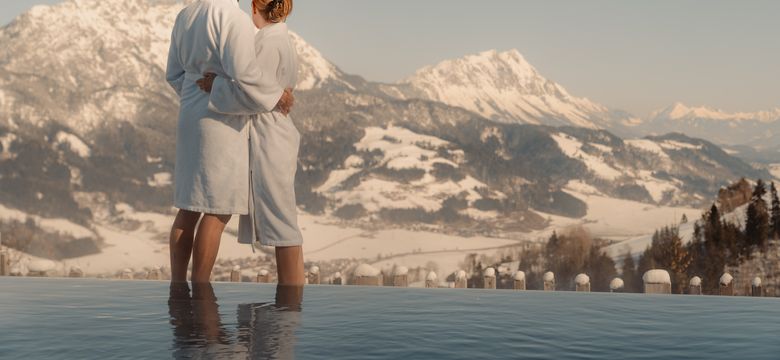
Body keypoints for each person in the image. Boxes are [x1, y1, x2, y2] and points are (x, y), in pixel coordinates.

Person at [165, 0, 294, 284]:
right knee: (217, 208)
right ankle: (201, 289)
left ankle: (177, 286)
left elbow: (173, 75)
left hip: (189, 115)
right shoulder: (232, 17)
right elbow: (246, 75)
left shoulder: (185, 16)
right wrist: (276, 95)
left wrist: (194, 96)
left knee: (188, 206)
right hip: (221, 121)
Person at [198, 0, 304, 286]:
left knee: (282, 221)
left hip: (270, 135)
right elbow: (263, 89)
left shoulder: (268, 43)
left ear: (256, 8)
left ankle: (290, 303)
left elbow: (253, 93)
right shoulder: (279, 38)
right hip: (273, 132)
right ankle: (290, 302)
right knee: (283, 217)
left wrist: (215, 85)